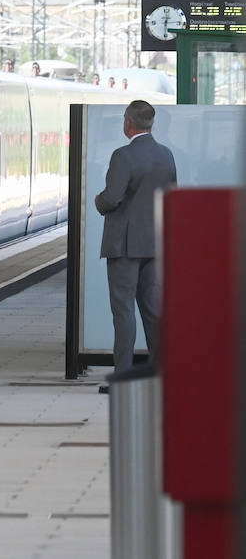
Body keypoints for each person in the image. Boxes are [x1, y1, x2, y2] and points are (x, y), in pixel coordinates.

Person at [93, 99, 177, 389]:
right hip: (156, 244)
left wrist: (98, 202)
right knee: (153, 310)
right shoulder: (166, 155)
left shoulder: (123, 156)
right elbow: (171, 196)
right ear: (150, 123)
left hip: (125, 246)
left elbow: (111, 198)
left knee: (124, 311)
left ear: (128, 122)